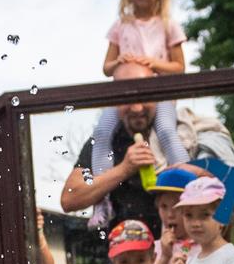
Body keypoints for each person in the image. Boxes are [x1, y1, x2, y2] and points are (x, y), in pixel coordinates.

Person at [56, 68, 176, 237]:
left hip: (180, 254)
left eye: (144, 96)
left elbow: (221, 189)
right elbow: (69, 199)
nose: (136, 108)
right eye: (127, 98)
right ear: (115, 101)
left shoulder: (180, 132)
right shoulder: (103, 142)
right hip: (125, 257)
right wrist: (124, 169)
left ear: (157, 96)